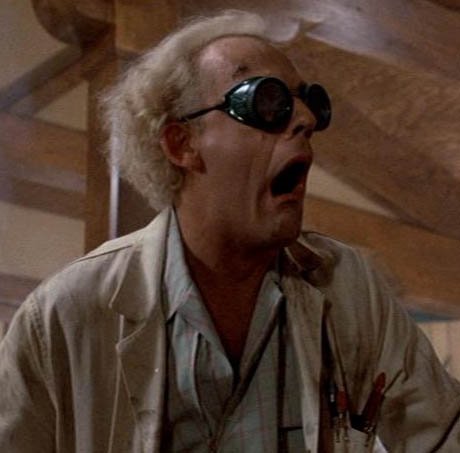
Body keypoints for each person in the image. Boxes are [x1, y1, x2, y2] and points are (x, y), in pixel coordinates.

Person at [0, 10, 459, 453]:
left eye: (310, 102)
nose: (305, 119)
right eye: (266, 100)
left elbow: (442, 434)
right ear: (182, 143)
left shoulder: (348, 287)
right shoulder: (64, 316)